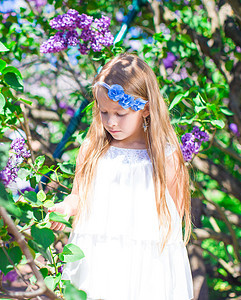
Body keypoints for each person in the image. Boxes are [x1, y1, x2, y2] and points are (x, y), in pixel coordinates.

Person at [48, 53, 194, 299]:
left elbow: (175, 213)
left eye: (120, 113)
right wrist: (65, 208)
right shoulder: (93, 149)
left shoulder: (163, 155)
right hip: (97, 259)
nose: (111, 122)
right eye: (104, 112)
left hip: (146, 264)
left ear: (145, 109)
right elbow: (78, 196)